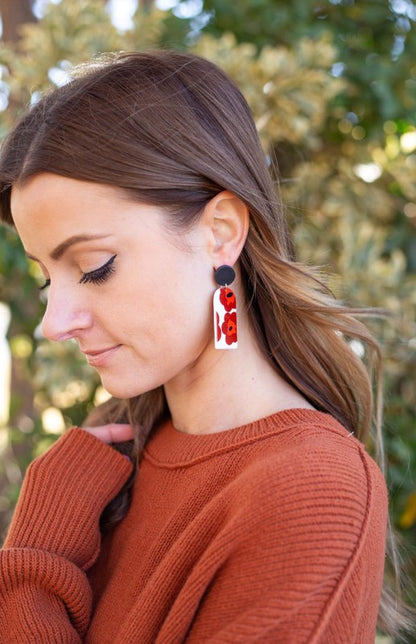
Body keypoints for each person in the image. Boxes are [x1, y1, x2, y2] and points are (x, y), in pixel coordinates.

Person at [0, 50, 398, 642]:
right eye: (44, 277)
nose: (55, 322)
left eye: (94, 267)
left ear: (220, 233)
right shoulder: (110, 456)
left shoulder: (309, 491)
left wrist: (33, 565)